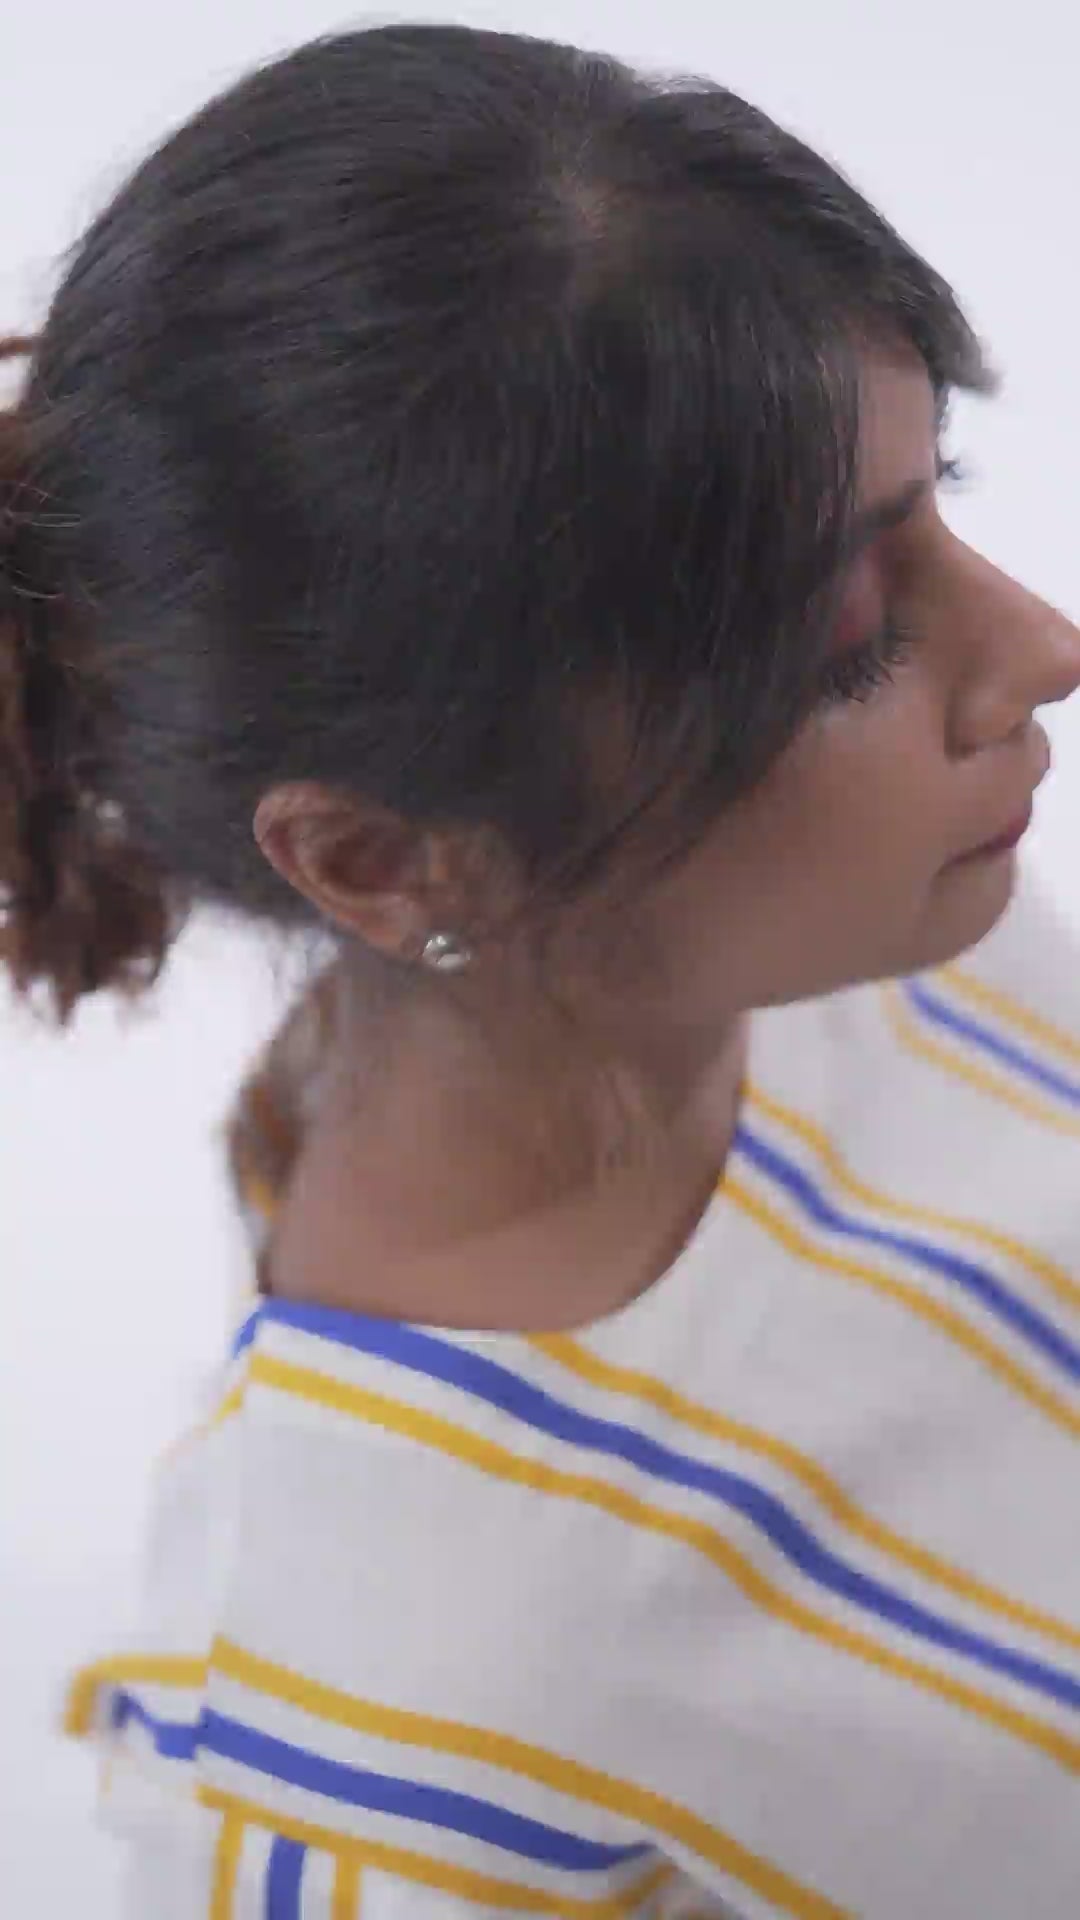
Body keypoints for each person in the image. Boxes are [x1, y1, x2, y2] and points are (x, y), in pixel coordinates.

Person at [2, 22, 1078, 1919]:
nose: (1041, 645)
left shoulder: (847, 939)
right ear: (385, 858)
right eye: (838, 631)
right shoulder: (415, 1773)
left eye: (945, 502)